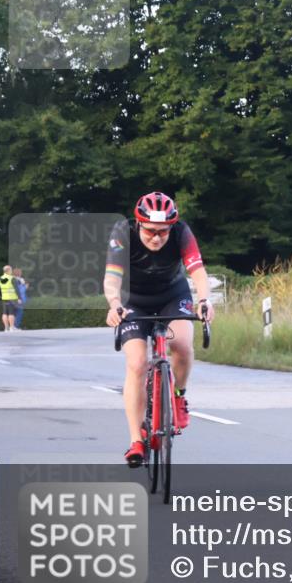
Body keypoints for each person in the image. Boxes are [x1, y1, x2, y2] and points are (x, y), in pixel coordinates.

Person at [103, 192, 215, 467]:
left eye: (163, 232)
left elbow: (198, 271)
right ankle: (136, 441)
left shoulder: (181, 232)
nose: (157, 238)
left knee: (182, 345)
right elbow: (112, 278)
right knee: (137, 363)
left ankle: (178, 396)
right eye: (151, 231)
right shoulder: (123, 232)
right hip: (133, 300)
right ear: (139, 224)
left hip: (172, 295)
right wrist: (114, 304)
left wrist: (204, 300)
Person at [0, 265, 20, 332]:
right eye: (11, 270)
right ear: (8, 270)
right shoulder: (12, 278)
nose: (12, 271)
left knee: (5, 313)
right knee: (11, 313)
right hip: (12, 297)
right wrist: (19, 298)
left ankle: (6, 328)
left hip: (4, 297)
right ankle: (12, 327)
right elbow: (16, 289)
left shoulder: (0, 278)